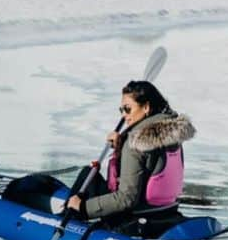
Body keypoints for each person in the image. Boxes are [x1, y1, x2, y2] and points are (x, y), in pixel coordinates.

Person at [65, 80, 195, 227]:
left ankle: (65, 218)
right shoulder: (173, 136)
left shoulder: (134, 143)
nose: (124, 116)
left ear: (146, 107)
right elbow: (150, 168)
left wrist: (82, 207)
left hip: (134, 217)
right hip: (165, 210)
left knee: (87, 174)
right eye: (121, 110)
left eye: (127, 109)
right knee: (90, 174)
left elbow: (126, 199)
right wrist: (120, 147)